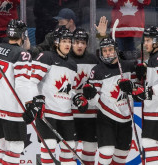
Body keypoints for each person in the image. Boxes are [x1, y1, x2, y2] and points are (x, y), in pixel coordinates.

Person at [120, 26, 158, 165]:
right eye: (145, 40)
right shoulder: (156, 57)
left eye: (148, 40)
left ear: (157, 41)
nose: (145, 43)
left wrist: (147, 91)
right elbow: (154, 79)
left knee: (149, 143)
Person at [0, 19, 33, 165]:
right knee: (16, 146)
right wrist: (29, 104)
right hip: (10, 107)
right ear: (23, 35)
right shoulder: (22, 54)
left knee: (2, 144)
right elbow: (22, 85)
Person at [27, 26, 80, 165]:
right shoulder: (46, 57)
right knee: (49, 146)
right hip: (47, 112)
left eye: (69, 41)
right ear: (56, 42)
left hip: (66, 114)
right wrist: (36, 102)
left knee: (69, 148)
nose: (68, 44)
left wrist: (76, 97)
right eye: (64, 41)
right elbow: (32, 82)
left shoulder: (72, 64)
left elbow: (69, 89)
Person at [83, 37, 138, 165]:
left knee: (121, 155)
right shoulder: (97, 71)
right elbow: (92, 101)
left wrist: (131, 88)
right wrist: (91, 96)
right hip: (106, 119)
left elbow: (138, 90)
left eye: (110, 50)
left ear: (116, 50)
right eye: (105, 51)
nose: (108, 53)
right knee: (106, 153)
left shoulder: (128, 66)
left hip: (126, 118)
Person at [69, 28, 100, 165]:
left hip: (90, 113)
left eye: (83, 42)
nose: (80, 45)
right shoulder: (65, 59)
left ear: (87, 44)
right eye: (77, 42)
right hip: (70, 113)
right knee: (69, 149)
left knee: (90, 147)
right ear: (71, 43)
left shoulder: (94, 60)